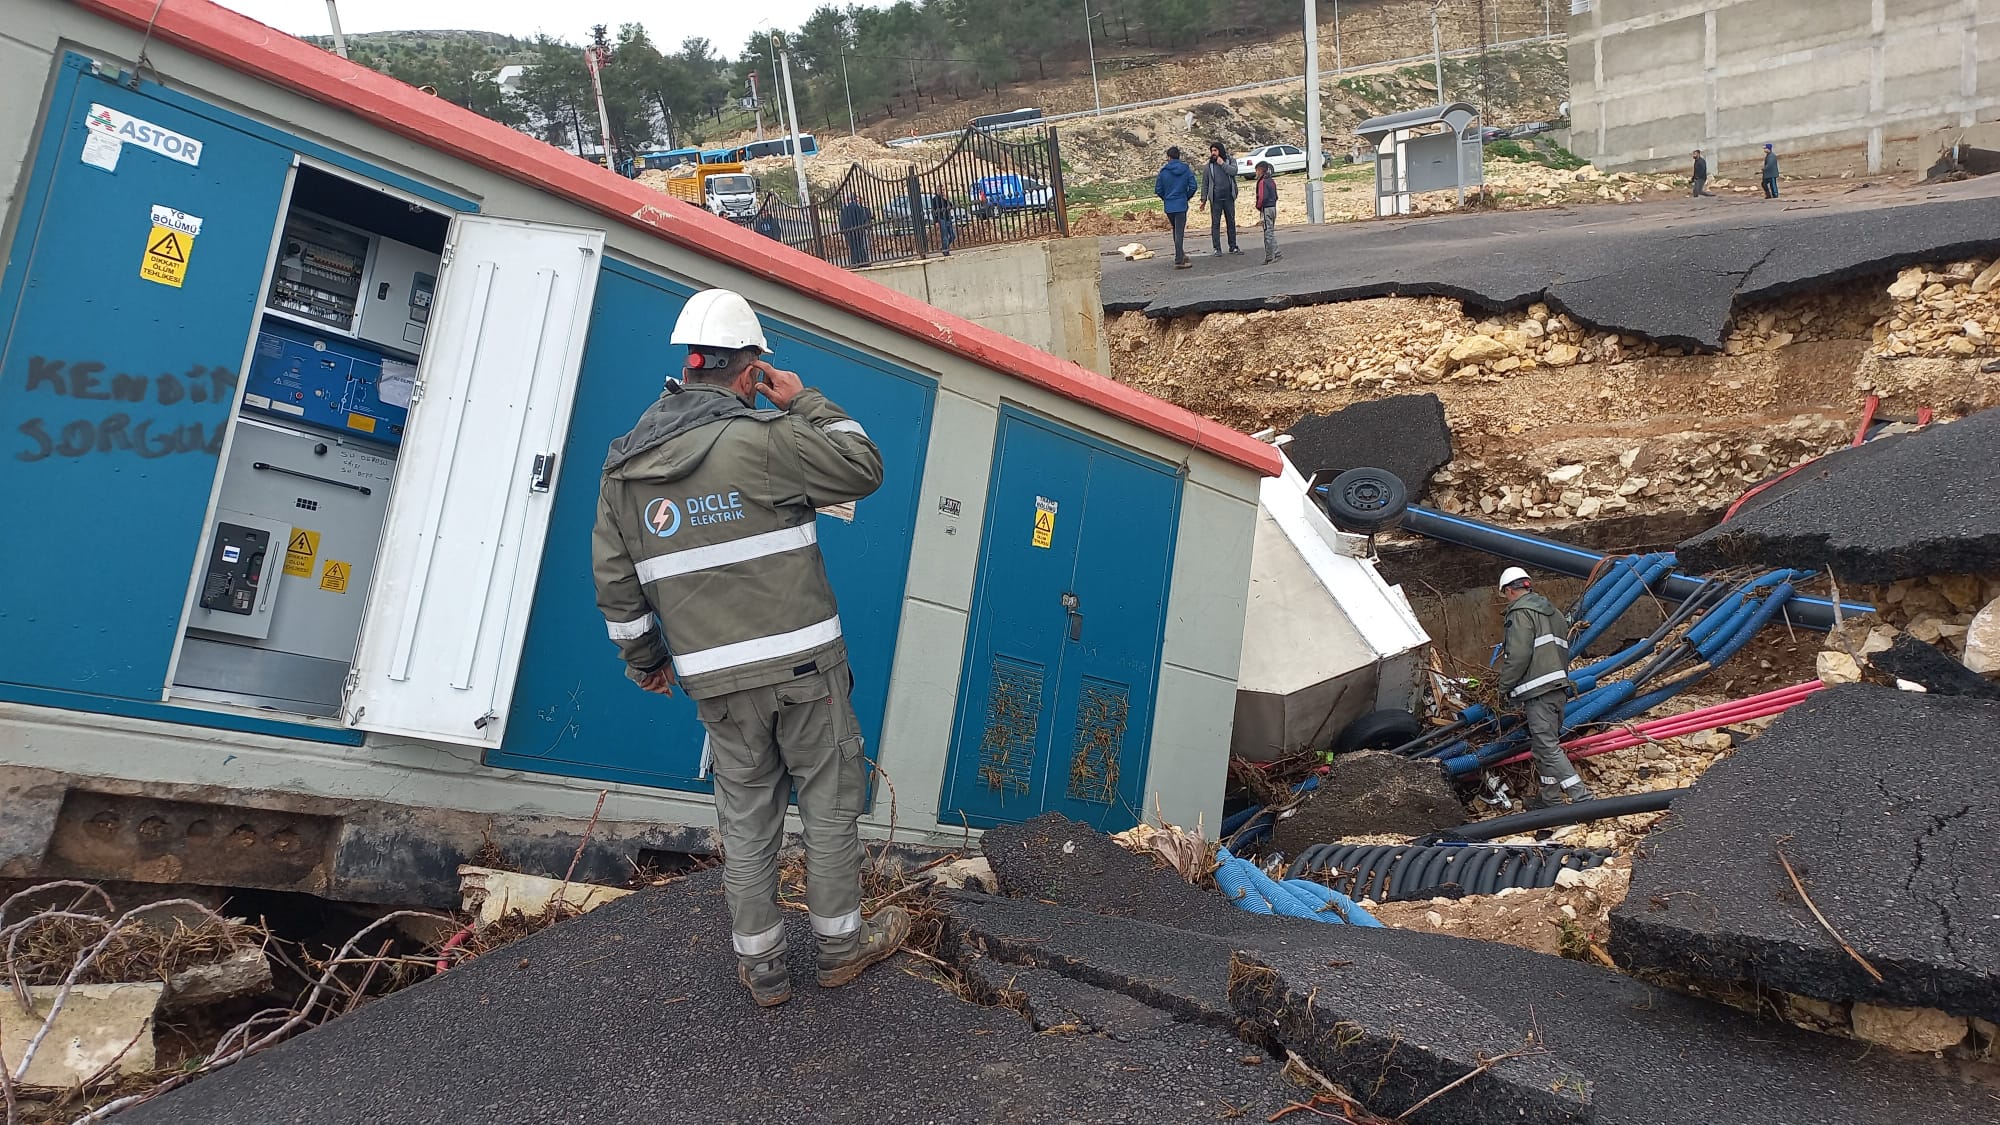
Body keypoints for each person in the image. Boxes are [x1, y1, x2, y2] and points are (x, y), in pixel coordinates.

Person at [591, 288, 907, 1008]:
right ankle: (839, 948)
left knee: (746, 814)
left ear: (689, 366)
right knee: (827, 803)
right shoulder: (768, 440)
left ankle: (762, 967)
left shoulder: (623, 472)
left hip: (717, 683)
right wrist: (804, 401)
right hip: (805, 668)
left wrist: (647, 661)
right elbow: (863, 464)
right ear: (746, 372)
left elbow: (615, 582)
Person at [1494, 566, 1595, 808]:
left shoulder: (1520, 612)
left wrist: (1503, 687)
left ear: (1509, 590)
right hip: (1558, 688)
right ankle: (1550, 800)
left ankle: (1584, 799)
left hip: (1538, 692)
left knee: (1548, 747)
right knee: (1541, 748)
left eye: (1505, 594)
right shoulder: (1555, 614)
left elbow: (1518, 655)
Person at [1153, 145, 1198, 269]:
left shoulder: (1164, 172)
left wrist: (1166, 198)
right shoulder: (1185, 169)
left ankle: (1181, 254)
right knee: (1179, 232)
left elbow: (1158, 189)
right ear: (1179, 156)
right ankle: (1179, 259)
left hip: (1169, 206)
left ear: (1168, 157)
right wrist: (1186, 197)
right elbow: (1193, 186)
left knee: (1176, 230)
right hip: (1181, 204)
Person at [1198, 142, 1241, 256]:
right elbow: (1205, 184)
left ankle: (1233, 246)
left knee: (1231, 222)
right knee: (1215, 224)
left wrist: (1222, 164)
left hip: (1228, 198)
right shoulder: (1209, 166)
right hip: (1215, 199)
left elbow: (1234, 171)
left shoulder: (1230, 161)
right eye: (1212, 151)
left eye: (1215, 150)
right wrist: (1203, 200)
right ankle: (1217, 248)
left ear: (1220, 151)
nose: (1213, 153)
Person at [1254, 160, 1281, 264]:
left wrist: (1258, 206)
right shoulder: (1271, 180)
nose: (1256, 173)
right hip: (1273, 207)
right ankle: (1269, 256)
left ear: (1260, 171)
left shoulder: (1262, 182)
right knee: (1269, 231)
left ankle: (1275, 254)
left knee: (1268, 233)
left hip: (1266, 209)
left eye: (1256, 171)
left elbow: (1261, 197)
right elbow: (1276, 195)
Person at [838, 193, 873, 265]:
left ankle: (855, 262)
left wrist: (842, 230)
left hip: (849, 231)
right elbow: (862, 218)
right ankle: (863, 261)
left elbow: (842, 220)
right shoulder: (857, 207)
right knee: (860, 246)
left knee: (853, 247)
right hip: (858, 230)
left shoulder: (845, 209)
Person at [929, 189, 955, 255]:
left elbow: (951, 206)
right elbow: (933, 211)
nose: (942, 191)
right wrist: (936, 221)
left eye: (943, 189)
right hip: (941, 219)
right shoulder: (935, 199)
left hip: (948, 218)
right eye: (941, 190)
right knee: (945, 236)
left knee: (953, 236)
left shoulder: (945, 198)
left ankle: (944, 247)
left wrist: (946, 199)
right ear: (938, 190)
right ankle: (946, 252)